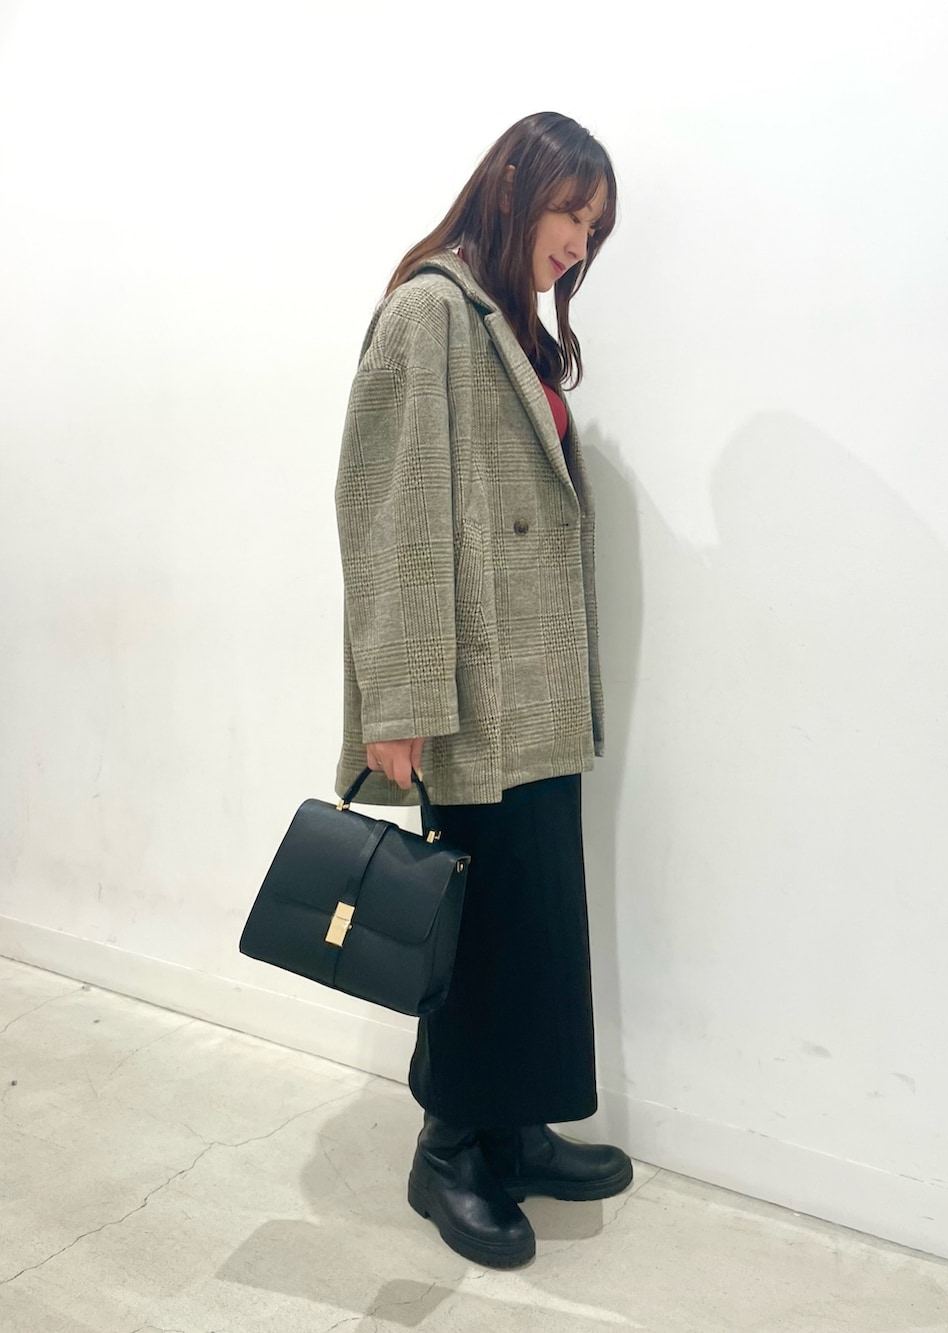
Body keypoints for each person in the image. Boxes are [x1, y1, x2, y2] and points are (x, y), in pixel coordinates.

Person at [334, 111, 630, 1269]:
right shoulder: (431, 312)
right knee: (476, 922)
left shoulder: (508, 324)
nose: (578, 244)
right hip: (467, 689)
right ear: (512, 191)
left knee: (534, 914)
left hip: (534, 686)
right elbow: (389, 514)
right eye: (570, 214)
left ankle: (513, 1126)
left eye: (593, 230)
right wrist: (399, 698)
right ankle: (449, 1148)